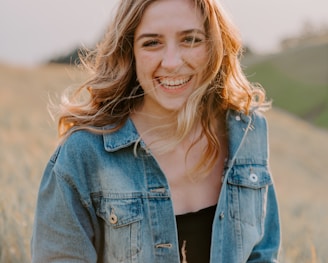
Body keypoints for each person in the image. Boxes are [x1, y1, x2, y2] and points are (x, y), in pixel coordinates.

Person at [31, 0, 281, 262]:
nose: (171, 63)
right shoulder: (84, 154)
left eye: (190, 40)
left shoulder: (247, 133)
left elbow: (262, 253)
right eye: (152, 43)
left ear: (213, 46)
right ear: (130, 52)